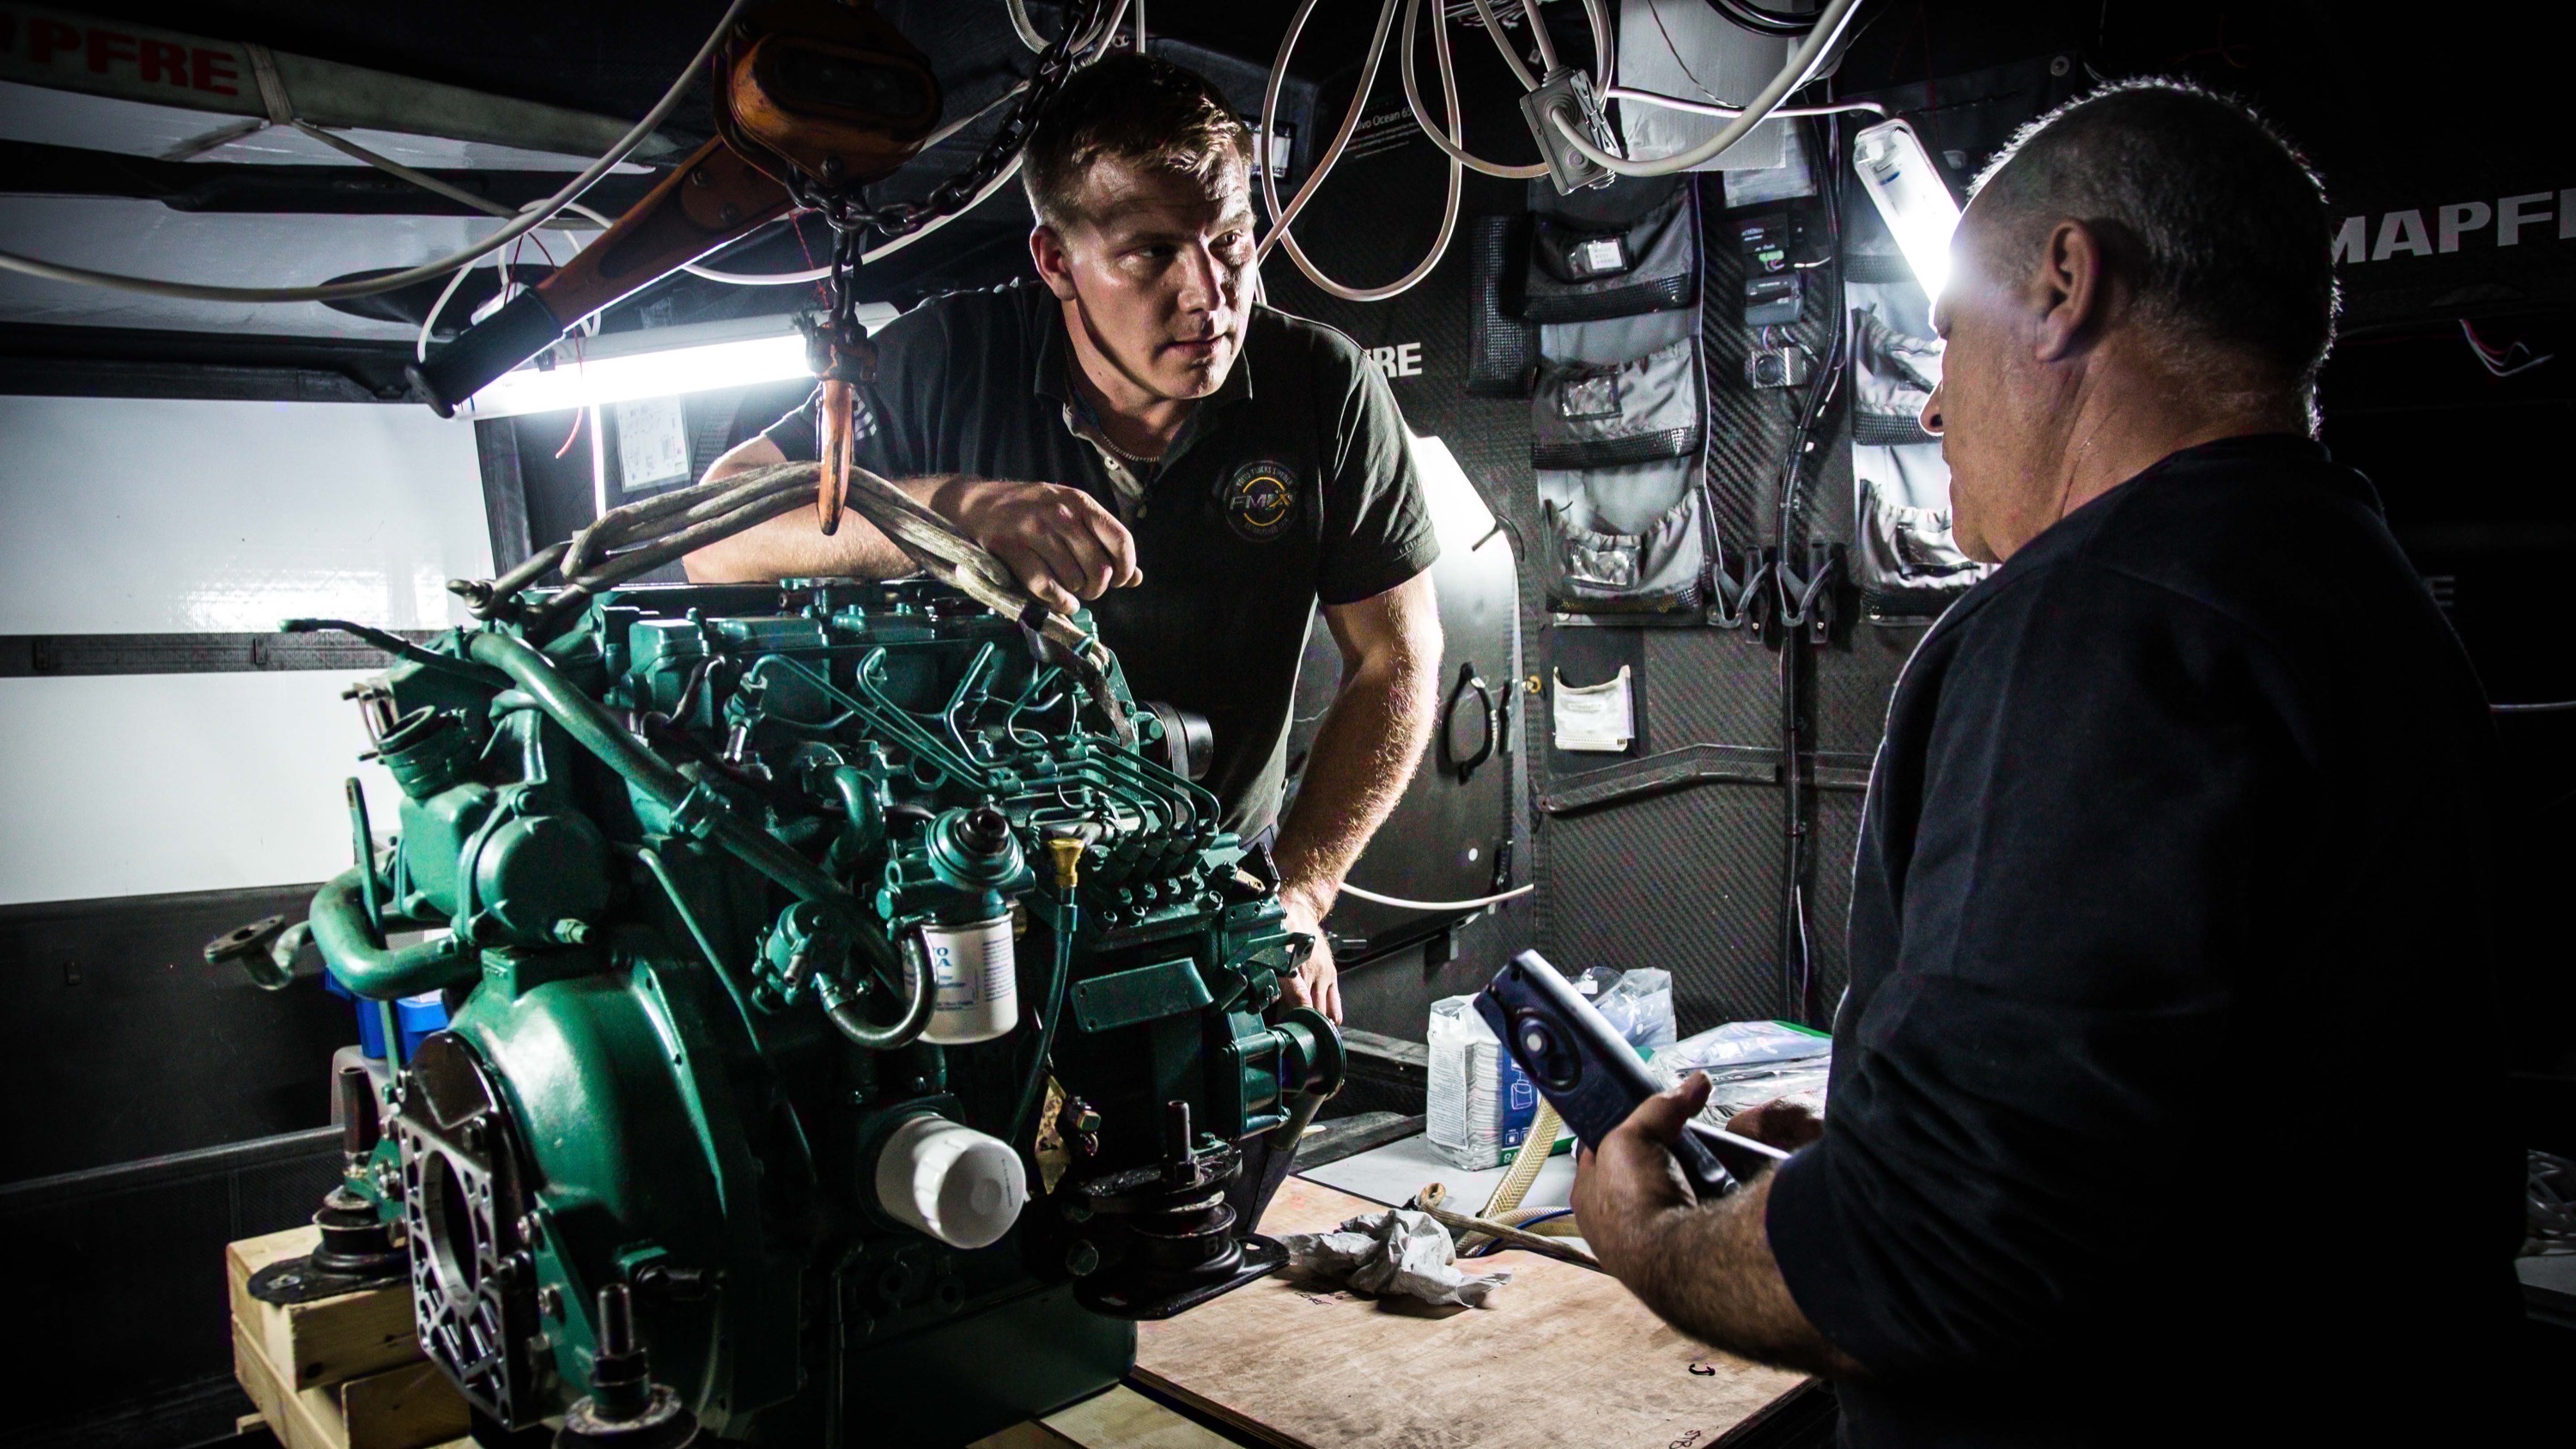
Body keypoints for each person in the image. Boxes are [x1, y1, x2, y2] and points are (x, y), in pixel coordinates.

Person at [1571, 80, 2524, 1443]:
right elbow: (2198, 1123)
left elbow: (1928, 1263)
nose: (1939, 404)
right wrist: (1874, 1159)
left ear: (2067, 283)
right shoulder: (2352, 587)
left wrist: (1649, 1229)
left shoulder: (2100, 620)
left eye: (1945, 337)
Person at [686, 55, 1444, 1038]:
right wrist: (949, 509)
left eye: (1231, 244)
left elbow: (1398, 658)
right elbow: (717, 529)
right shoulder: (944, 364)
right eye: (1151, 254)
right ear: (1055, 261)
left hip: (1219, 904)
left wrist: (1300, 892)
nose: (1206, 295)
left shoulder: (1321, 387)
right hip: (981, 913)